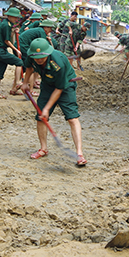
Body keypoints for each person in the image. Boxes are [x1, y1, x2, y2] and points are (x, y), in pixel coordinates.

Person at [20, 38, 87, 166]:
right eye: (37, 57)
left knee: (72, 118)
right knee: (40, 118)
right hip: (47, 85)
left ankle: (79, 154)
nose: (39, 60)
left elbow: (59, 88)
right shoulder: (32, 56)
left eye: (42, 57)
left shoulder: (58, 63)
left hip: (66, 85)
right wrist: (25, 83)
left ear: (48, 53)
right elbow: (29, 67)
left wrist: (47, 108)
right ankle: (43, 149)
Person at [0, 6, 24, 99]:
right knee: (19, 62)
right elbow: (7, 41)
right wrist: (16, 49)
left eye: (16, 17)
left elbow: (8, 37)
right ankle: (18, 82)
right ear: (9, 16)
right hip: (0, 51)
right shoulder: (6, 25)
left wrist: (14, 31)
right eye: (14, 17)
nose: (16, 19)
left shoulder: (8, 24)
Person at [19, 20, 56, 95]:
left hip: (22, 45)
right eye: (50, 29)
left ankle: (17, 84)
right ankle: (30, 90)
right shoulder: (41, 32)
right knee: (32, 67)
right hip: (23, 46)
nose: (50, 31)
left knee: (25, 67)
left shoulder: (40, 31)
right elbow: (44, 47)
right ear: (46, 27)